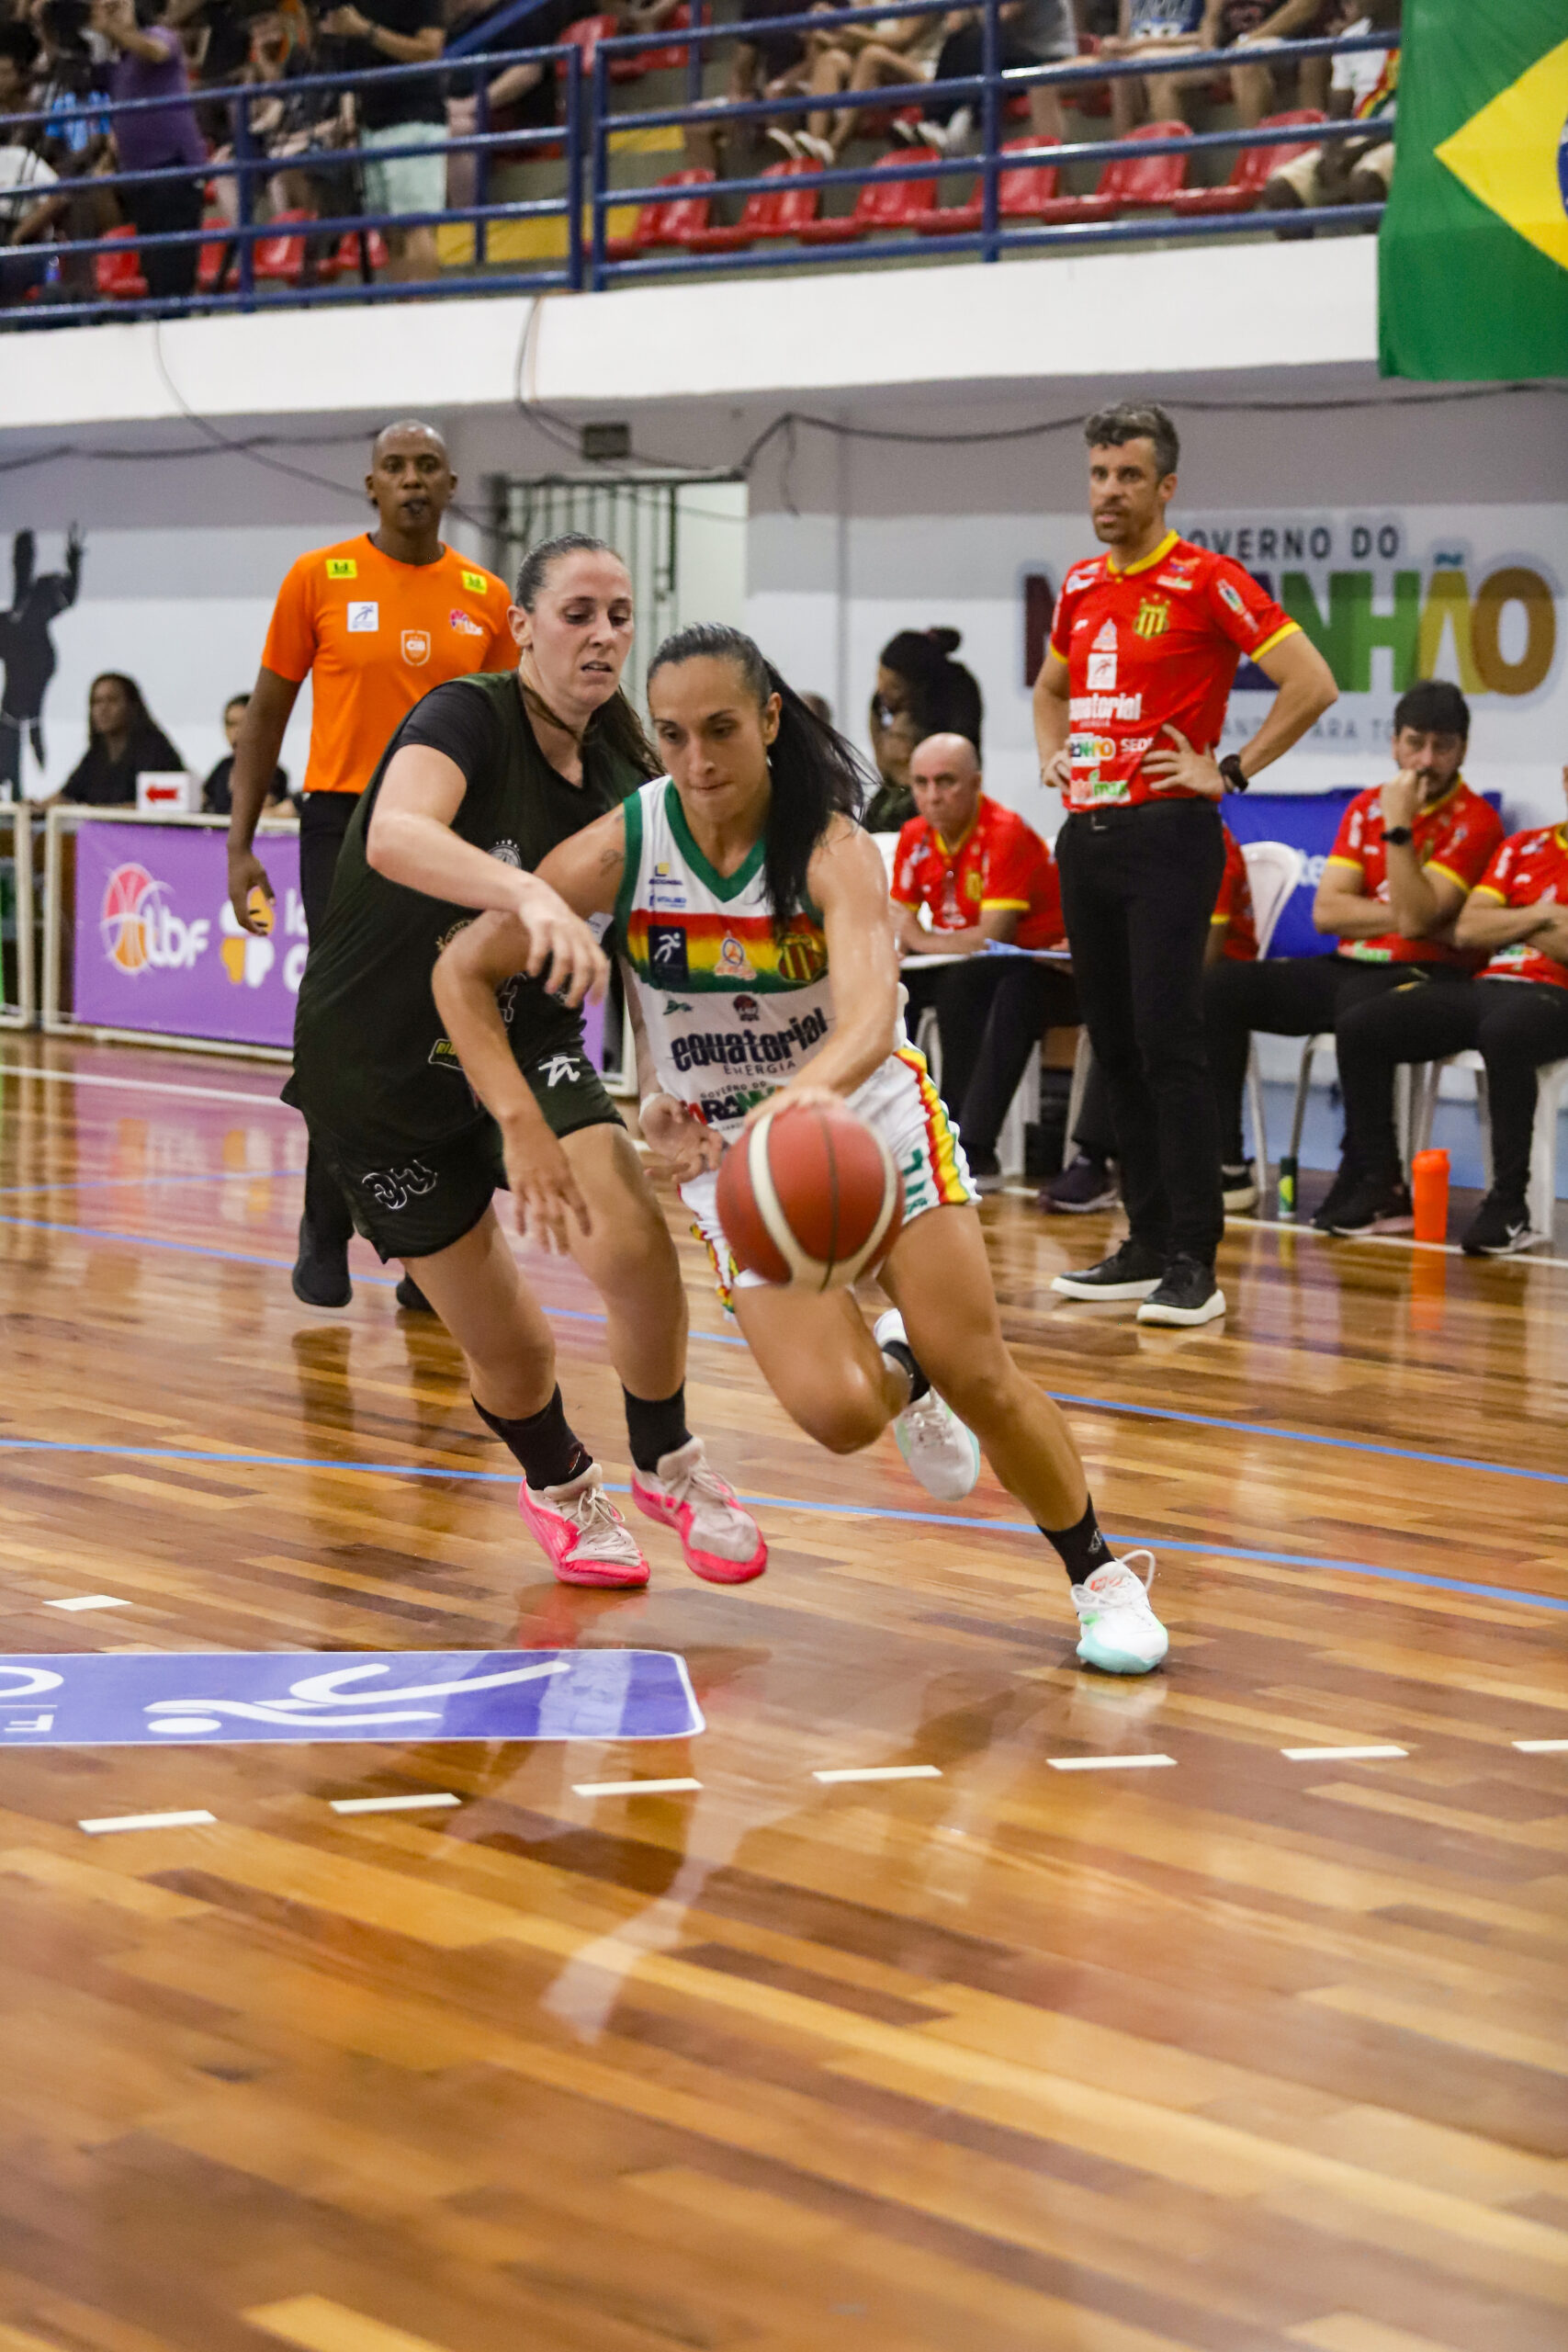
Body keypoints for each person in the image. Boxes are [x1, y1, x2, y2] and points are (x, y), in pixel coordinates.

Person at [440, 621, 1174, 1678]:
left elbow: (870, 1017)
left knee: (980, 1368)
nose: (699, 760)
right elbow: (462, 972)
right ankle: (903, 1371)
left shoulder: (831, 845)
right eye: (675, 736)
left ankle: (1099, 1575)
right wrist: (530, 1119)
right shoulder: (624, 846)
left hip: (869, 1121)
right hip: (731, 1163)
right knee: (836, 1417)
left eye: (723, 730)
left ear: (772, 720)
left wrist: (789, 1112)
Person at [285, 533, 765, 1591]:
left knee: (634, 1245)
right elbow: (395, 834)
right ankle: (560, 1486)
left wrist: (663, 1087)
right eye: (577, 613)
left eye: (619, 616)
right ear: (523, 627)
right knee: (514, 1348)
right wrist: (526, 892)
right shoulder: (466, 714)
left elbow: (646, 943)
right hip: (376, 1075)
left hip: (526, 1041)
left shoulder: (626, 778)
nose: (602, 635)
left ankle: (668, 1460)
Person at [1033, 399, 1337, 1326]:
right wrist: (1052, 751)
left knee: (1169, 1042)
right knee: (1114, 1043)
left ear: (1165, 486)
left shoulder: (1208, 579)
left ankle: (1194, 1262)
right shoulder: (1081, 585)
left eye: (1128, 475)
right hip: (1086, 834)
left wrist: (1230, 769)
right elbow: (1050, 689)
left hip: (1169, 834)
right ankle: (1145, 1240)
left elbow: (1312, 682)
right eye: (1098, 474)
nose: (1109, 491)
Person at [226, 420, 514, 1314]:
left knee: (442, 1027)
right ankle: (325, 1225)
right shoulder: (318, 577)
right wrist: (240, 845)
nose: (412, 479)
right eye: (395, 466)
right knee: (347, 1029)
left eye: (428, 466)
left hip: (448, 829)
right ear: (372, 485)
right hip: (341, 823)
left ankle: (431, 1246)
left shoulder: (487, 597)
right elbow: (266, 716)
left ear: (452, 485)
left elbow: (511, 737)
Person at [1205, 681, 1502, 1234]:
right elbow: (1328, 913)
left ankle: (1373, 1176)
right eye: (1414, 743)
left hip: (1428, 972)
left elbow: (1417, 923)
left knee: (1361, 1011)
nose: (1426, 760)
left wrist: (1399, 830)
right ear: (1394, 743)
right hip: (1350, 962)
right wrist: (1405, 911)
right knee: (1220, 988)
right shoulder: (1365, 807)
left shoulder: (1475, 820)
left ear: (1462, 749)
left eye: (1442, 746)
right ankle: (1225, 1162)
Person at [1327, 782, 1568, 1258]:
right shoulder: (1524, 846)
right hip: (1489, 983)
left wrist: (1511, 920)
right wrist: (1545, 915)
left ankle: (1509, 1205)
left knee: (1505, 1032)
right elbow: (1470, 928)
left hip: (1556, 995)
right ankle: (1382, 1185)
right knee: (1361, 1024)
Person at [1044, 816, 1256, 1212]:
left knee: (1138, 1005)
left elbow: (1205, 953)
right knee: (1114, 1000)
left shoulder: (1200, 839)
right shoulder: (1109, 841)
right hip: (1153, 967)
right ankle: (1097, 1160)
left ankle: (1101, 1158)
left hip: (1218, 971)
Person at [892, 730, 1073, 1191]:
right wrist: (904, 946)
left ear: (976, 783)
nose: (932, 796)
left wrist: (918, 938)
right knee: (890, 989)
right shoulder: (915, 835)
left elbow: (992, 937)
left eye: (946, 781)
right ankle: (895, 1131)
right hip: (960, 959)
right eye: (921, 783)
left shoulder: (1004, 831)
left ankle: (966, 1143)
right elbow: (897, 923)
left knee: (965, 986)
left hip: (1039, 963)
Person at [320, 0, 445, 282]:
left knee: (415, 224)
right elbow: (347, 69)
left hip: (413, 119)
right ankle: (402, 305)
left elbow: (430, 50)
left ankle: (425, 306)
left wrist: (365, 29)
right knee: (389, 230)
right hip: (370, 123)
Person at [91, 0, 207, 301]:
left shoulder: (160, 35)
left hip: (174, 169)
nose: (112, 10)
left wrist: (112, 26)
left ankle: (176, 317)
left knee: (174, 269)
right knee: (154, 269)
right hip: (140, 176)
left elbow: (155, 51)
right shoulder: (119, 65)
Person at [1261, 0, 1398, 228]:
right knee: (1280, 188)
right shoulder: (1351, 38)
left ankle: (1377, 249)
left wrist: (1358, 152)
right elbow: (1338, 112)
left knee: (1365, 180)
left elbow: (1421, 115)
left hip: (1405, 138)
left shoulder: (1422, 35)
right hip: (1360, 139)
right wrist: (1330, 155)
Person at [865, 626, 983, 832]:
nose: (882, 691)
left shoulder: (931, 816)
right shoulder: (883, 807)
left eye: (894, 687)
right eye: (879, 679)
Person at [0, 527, 82, 800]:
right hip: (14, 707)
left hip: (29, 696)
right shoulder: (8, 622)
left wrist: (75, 562)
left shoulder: (37, 605)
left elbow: (67, 597)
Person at [55, 670, 184, 804]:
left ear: (132, 706)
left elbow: (158, 804)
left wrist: (100, 813)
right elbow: (66, 795)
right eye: (96, 702)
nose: (102, 709)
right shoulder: (97, 753)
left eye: (112, 701)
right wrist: (42, 806)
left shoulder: (155, 750)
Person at [201, 691, 288, 814]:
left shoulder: (272, 773)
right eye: (231, 724)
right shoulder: (223, 767)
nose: (237, 731)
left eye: (244, 724)